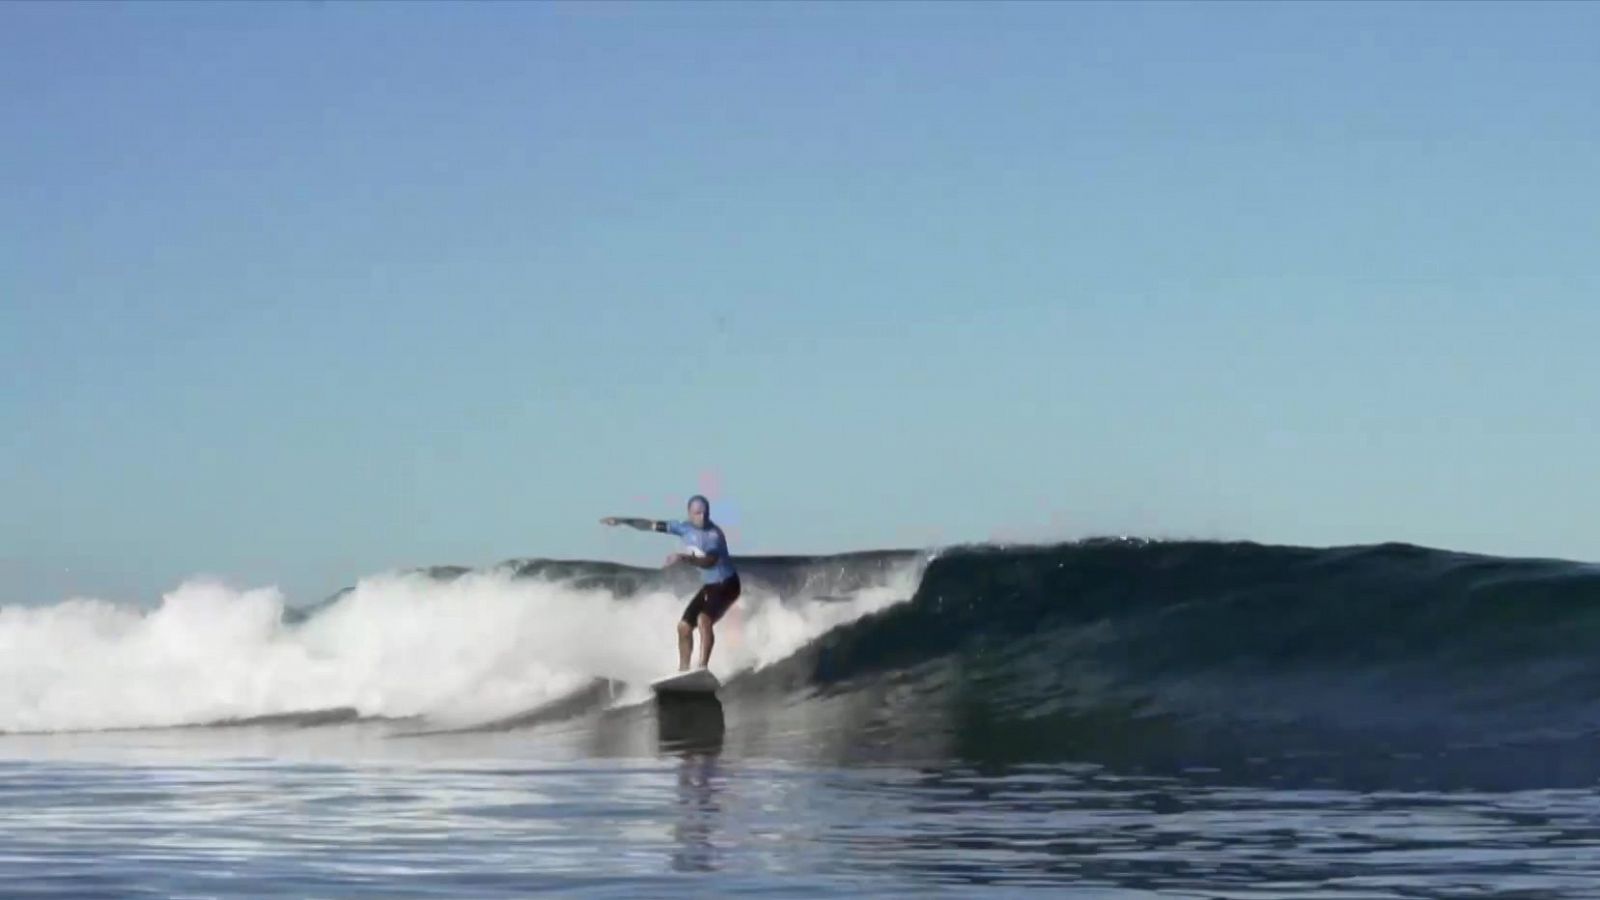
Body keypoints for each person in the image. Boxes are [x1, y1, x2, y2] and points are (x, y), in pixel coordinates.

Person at [601, 494, 740, 671]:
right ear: (689, 513)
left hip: (728, 585)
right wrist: (622, 521)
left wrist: (683, 558)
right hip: (711, 586)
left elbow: (710, 561)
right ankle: (683, 672)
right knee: (683, 627)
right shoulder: (683, 528)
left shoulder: (714, 535)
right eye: (697, 513)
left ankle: (702, 668)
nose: (702, 517)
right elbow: (649, 525)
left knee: (703, 619)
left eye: (705, 513)